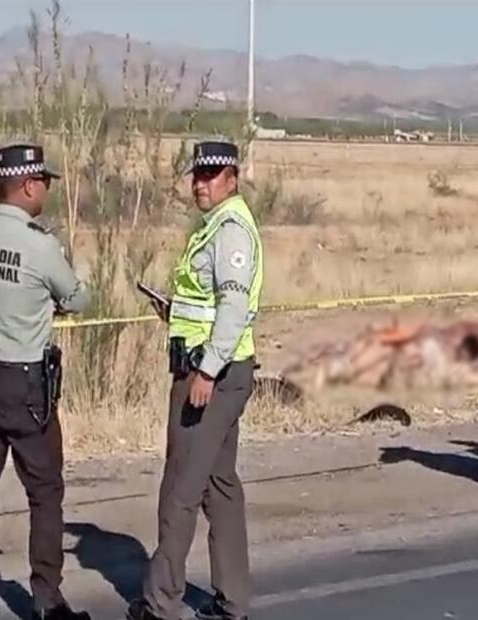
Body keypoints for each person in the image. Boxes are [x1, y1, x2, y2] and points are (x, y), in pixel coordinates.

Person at [128, 141, 264, 620]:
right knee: (219, 486)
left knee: (181, 489)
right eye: (196, 176)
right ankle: (233, 600)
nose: (200, 184)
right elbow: (208, 304)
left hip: (212, 375)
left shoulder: (230, 232)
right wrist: (174, 310)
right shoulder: (214, 229)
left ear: (232, 176)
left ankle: (159, 603)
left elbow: (232, 307)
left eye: (210, 175)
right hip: (217, 368)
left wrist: (206, 371)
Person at [0, 145, 90, 620]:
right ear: (27, 186)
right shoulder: (40, 246)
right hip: (25, 387)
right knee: (45, 493)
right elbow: (78, 299)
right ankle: (47, 599)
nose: (45, 189)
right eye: (42, 181)